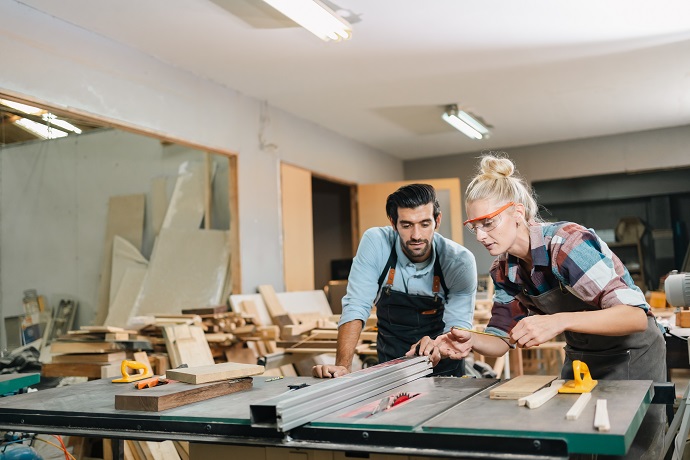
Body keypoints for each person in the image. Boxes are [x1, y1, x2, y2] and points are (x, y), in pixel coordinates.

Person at [433, 153, 666, 458]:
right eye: (473, 226)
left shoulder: (566, 244)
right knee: (573, 444)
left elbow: (634, 316)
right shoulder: (504, 269)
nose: (479, 235)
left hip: (632, 351)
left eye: (488, 223)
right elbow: (502, 341)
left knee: (630, 449)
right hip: (582, 355)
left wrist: (558, 321)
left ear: (517, 212)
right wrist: (469, 340)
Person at [312, 183, 477, 378]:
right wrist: (342, 366)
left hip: (444, 366)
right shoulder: (376, 242)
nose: (416, 236)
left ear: (437, 220)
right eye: (406, 225)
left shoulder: (459, 261)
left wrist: (435, 348)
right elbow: (356, 305)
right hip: (391, 365)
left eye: (424, 224)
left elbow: (456, 329)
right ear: (393, 222)